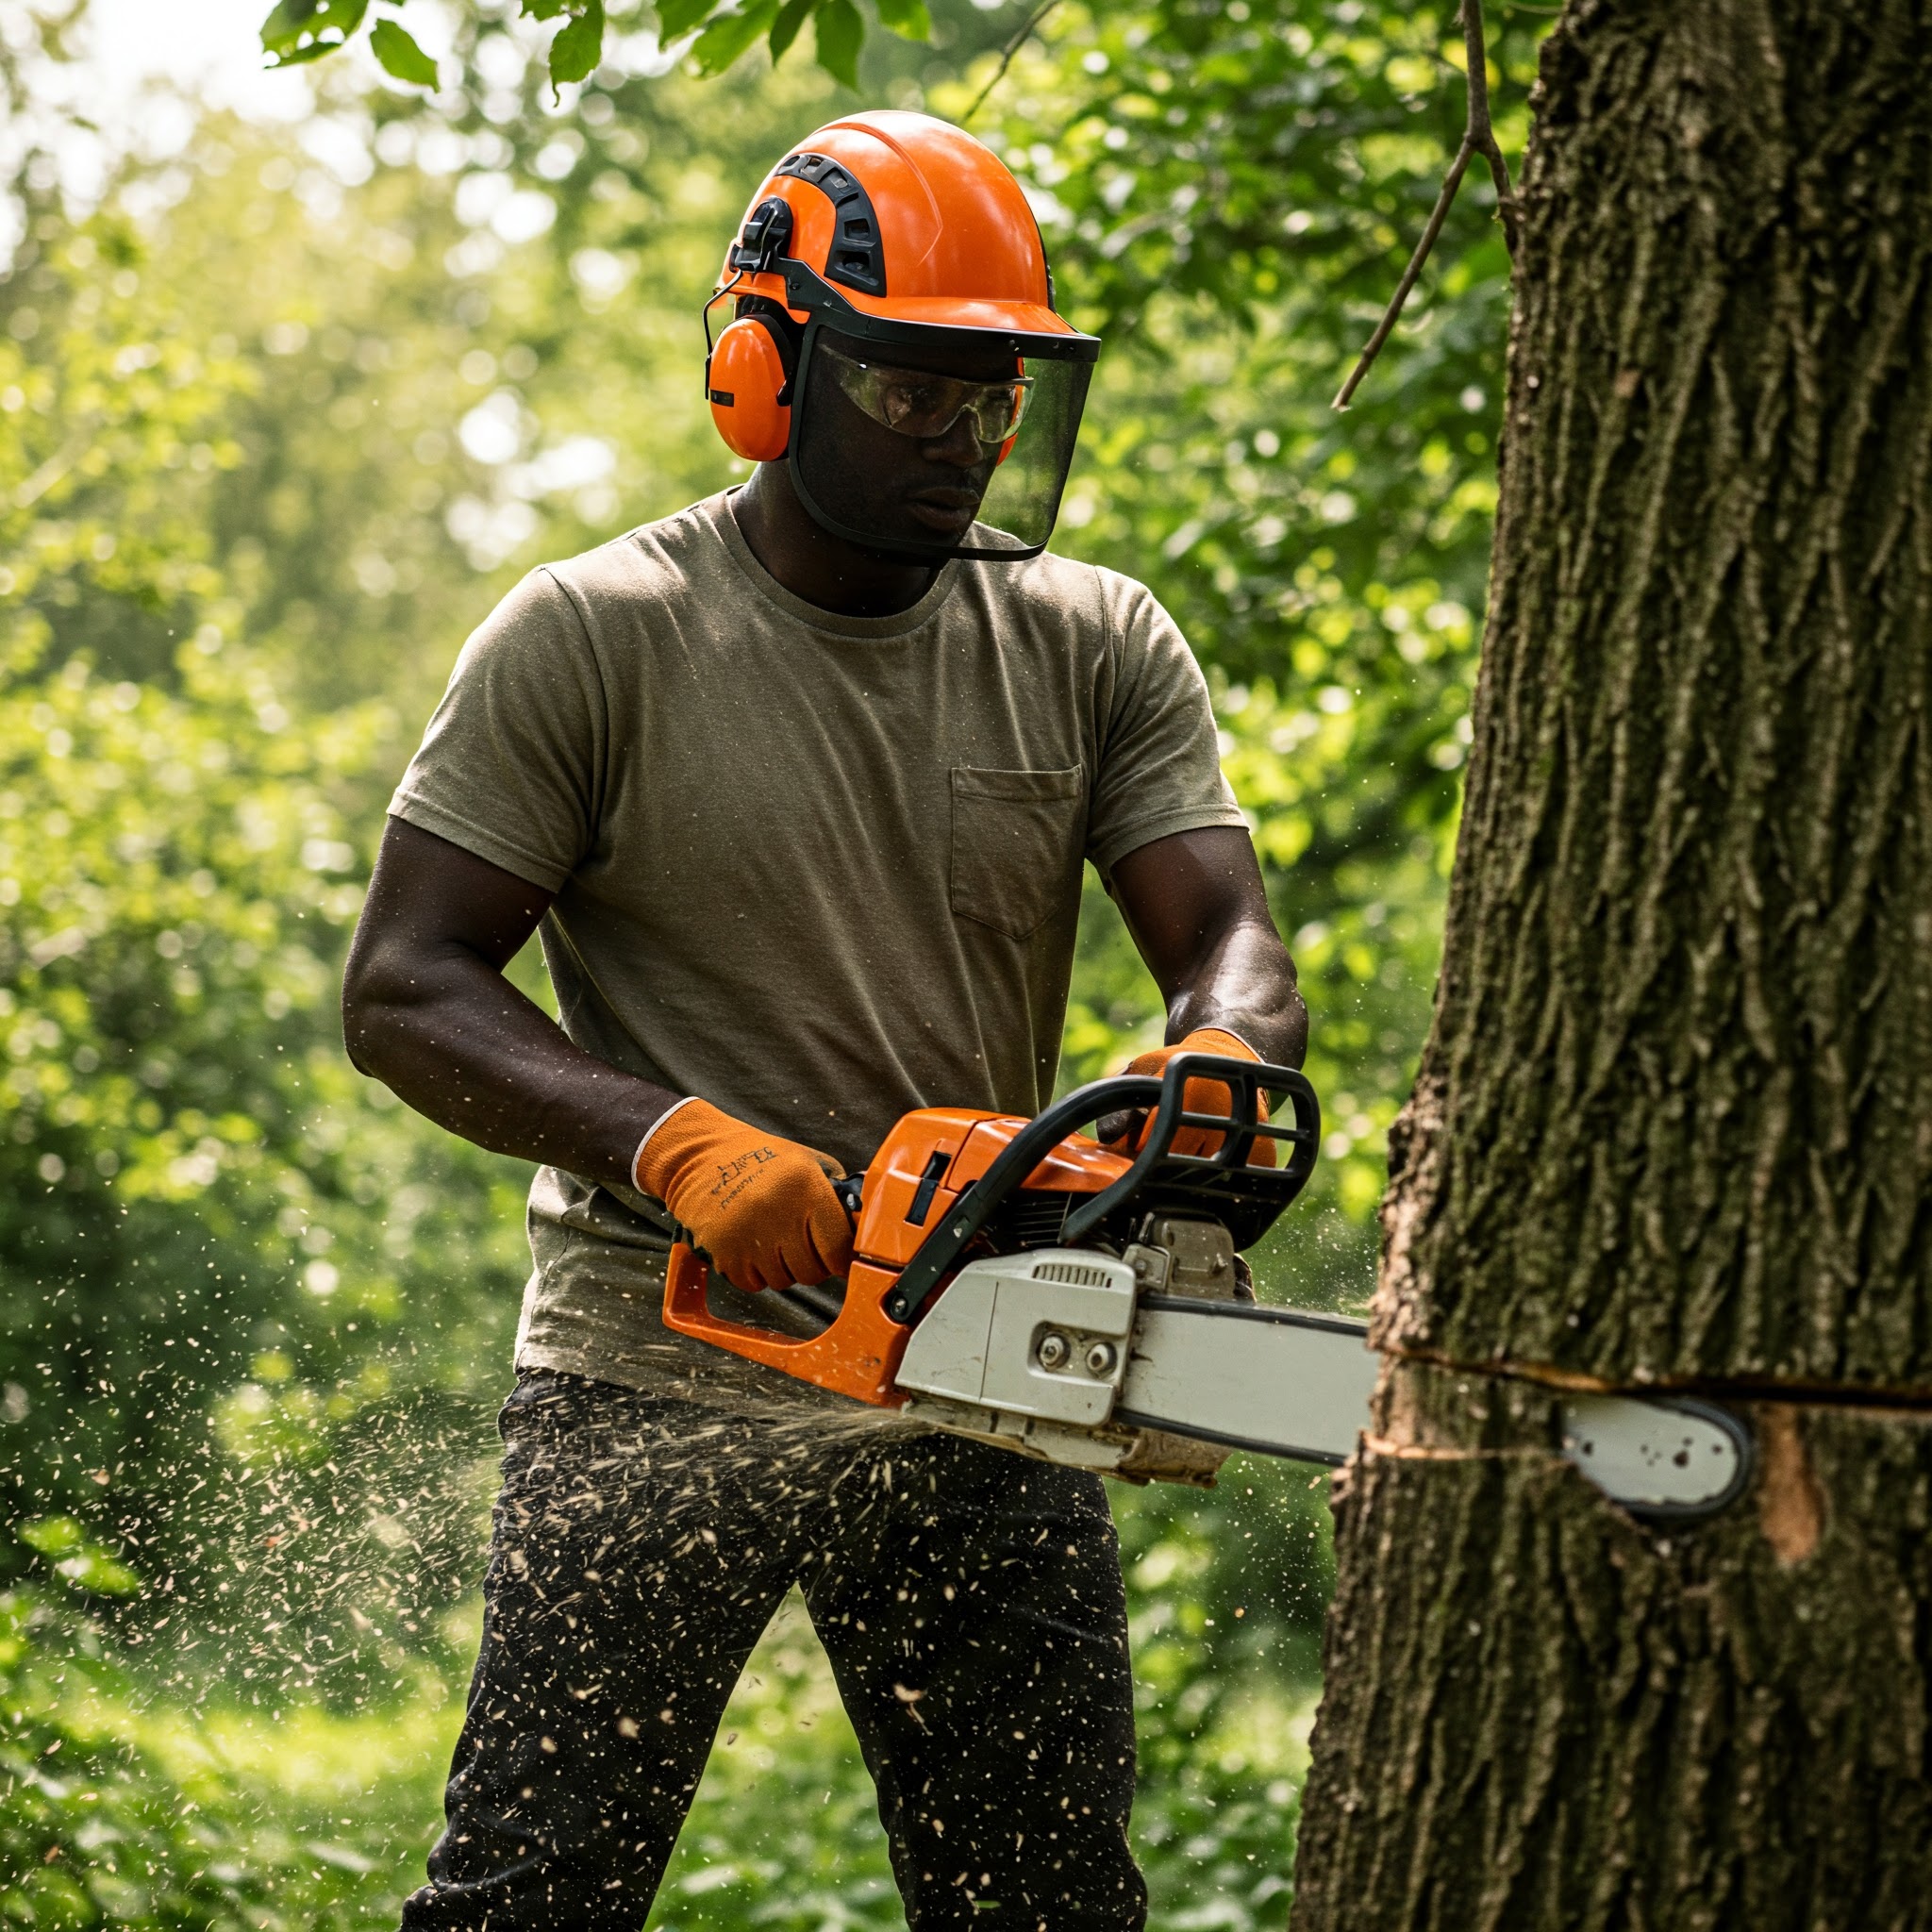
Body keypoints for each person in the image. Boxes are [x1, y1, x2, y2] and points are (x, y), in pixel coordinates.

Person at [343, 109, 1306, 1932]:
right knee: (532, 1899)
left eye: (995, 394)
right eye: (912, 392)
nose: (962, 437)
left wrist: (1220, 1056)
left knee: (1041, 1905)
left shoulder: (1093, 636)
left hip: (988, 1358)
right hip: (652, 1364)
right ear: (765, 368)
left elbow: (1228, 935)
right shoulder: (593, 634)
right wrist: (673, 1142)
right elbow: (405, 988)